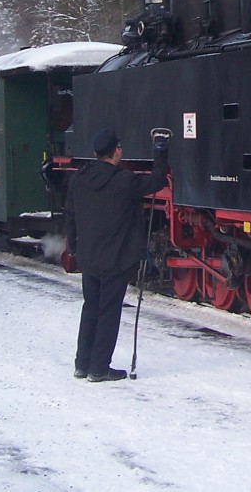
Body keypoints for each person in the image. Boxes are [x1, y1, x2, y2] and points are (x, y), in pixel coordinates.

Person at [65, 127, 169, 382]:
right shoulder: (124, 181)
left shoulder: (78, 179)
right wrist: (160, 151)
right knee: (109, 310)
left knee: (91, 307)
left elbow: (70, 214)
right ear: (116, 151)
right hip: (116, 258)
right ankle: (99, 368)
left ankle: (82, 363)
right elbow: (157, 181)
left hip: (89, 256)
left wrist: (74, 247)